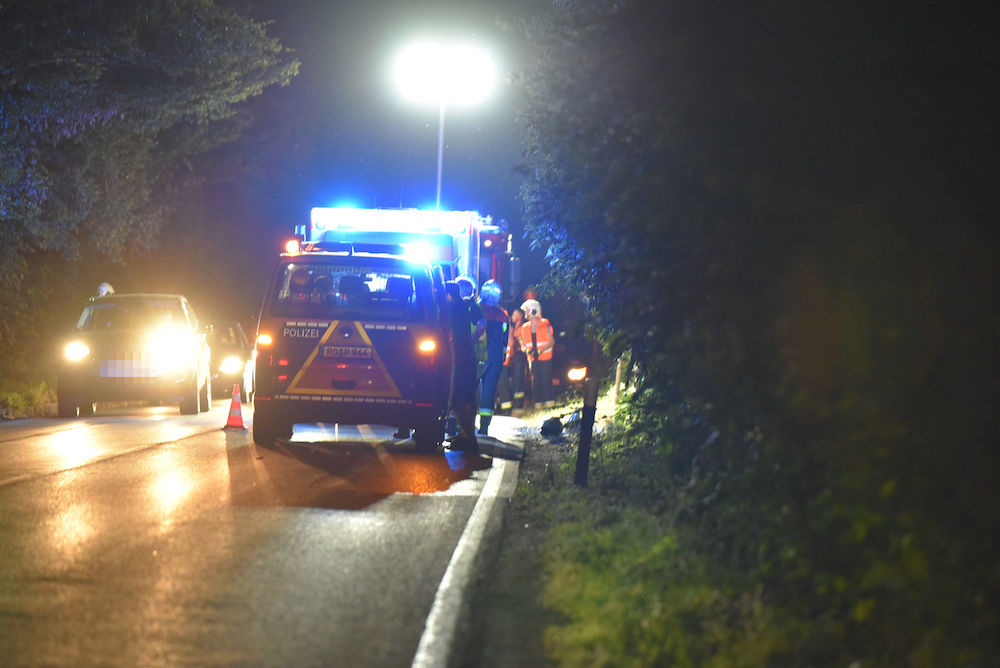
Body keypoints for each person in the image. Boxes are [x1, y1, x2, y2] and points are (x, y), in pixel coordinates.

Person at [444, 281, 479, 450]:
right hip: (468, 355)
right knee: (468, 399)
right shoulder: (465, 306)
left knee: (456, 399)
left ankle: (469, 438)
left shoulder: (451, 309)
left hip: (458, 357)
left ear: (448, 295)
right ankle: (467, 434)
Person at [475, 280, 509, 436]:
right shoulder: (503, 315)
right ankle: (484, 427)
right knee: (488, 391)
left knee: (469, 388)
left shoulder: (476, 309)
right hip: (495, 357)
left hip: (477, 354)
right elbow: (505, 340)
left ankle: (461, 425)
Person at [519, 298, 555, 407]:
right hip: (532, 358)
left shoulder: (545, 323)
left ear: (533, 310)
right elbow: (523, 345)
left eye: (527, 310)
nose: (525, 312)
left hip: (545, 357)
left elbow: (551, 341)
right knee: (535, 381)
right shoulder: (524, 327)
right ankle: (538, 403)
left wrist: (541, 350)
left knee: (545, 379)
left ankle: (549, 402)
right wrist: (527, 350)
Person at [498, 307, 526, 414]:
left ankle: (516, 405)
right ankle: (509, 406)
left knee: (516, 381)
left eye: (514, 314)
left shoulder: (515, 328)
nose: (512, 316)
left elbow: (511, 343)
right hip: (511, 359)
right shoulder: (511, 328)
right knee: (511, 382)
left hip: (516, 358)